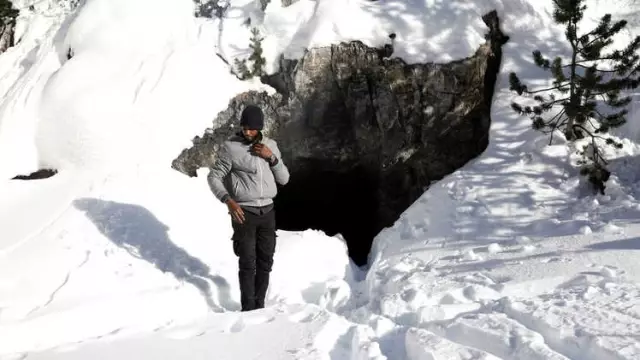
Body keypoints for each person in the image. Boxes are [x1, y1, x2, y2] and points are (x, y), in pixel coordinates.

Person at [207, 104, 290, 311]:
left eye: (252, 128)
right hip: (244, 212)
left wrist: (271, 157)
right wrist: (228, 200)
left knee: (265, 261)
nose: (247, 131)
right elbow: (214, 176)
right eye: (244, 127)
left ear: (260, 127)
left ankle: (259, 306)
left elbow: (285, 179)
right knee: (247, 263)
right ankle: (248, 309)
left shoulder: (270, 145)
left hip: (268, 212)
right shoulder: (231, 148)